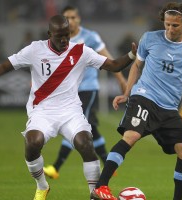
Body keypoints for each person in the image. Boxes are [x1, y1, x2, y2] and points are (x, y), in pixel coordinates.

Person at [0, 15, 136, 200]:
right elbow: (5, 66)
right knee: (32, 142)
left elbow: (113, 66)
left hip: (70, 111)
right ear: (50, 34)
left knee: (86, 143)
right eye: (60, 36)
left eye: (67, 35)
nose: (64, 39)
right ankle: (42, 186)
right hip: (42, 110)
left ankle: (93, 194)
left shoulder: (81, 52)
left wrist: (131, 55)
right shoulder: (35, 50)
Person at [90, 2, 182, 200]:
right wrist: (127, 93)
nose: (169, 29)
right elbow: (136, 66)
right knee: (131, 136)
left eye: (175, 25)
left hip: (169, 108)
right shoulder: (150, 38)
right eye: (167, 24)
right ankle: (101, 187)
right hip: (144, 97)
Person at [43, 5, 127, 179]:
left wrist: (121, 79)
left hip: (88, 89)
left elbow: (109, 60)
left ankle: (56, 167)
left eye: (74, 17)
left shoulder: (90, 37)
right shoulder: (58, 40)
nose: (71, 21)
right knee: (92, 129)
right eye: (68, 18)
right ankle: (109, 163)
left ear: (79, 19)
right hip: (68, 91)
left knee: (73, 126)